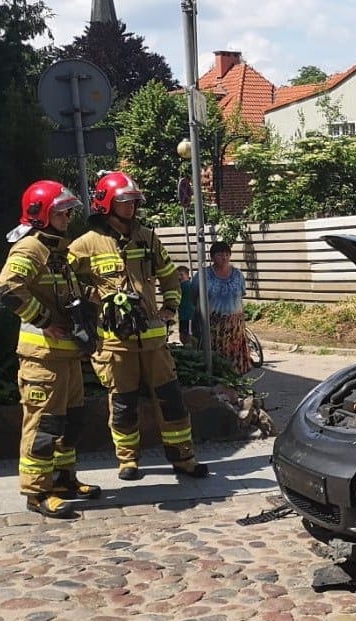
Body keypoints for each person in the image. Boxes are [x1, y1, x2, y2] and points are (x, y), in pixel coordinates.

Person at [68, 171, 208, 482]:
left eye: (133, 201)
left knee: (171, 401)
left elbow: (170, 274)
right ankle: (128, 460)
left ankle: (184, 459)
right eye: (124, 202)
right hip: (115, 344)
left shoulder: (148, 237)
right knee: (123, 404)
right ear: (106, 204)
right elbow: (66, 283)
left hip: (155, 342)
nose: (131, 207)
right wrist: (94, 298)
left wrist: (169, 307)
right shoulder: (85, 245)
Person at [0, 180, 101, 519]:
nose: (68, 216)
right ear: (42, 214)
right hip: (42, 358)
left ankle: (64, 479)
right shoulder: (31, 249)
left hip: (66, 356)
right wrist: (42, 319)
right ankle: (37, 491)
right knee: (43, 425)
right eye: (61, 212)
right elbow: (7, 287)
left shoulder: (58, 250)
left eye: (69, 211)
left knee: (71, 422)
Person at [191, 242, 251, 374]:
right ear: (212, 257)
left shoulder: (237, 275)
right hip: (212, 327)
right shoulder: (203, 275)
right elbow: (193, 295)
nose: (224, 257)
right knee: (215, 362)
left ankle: (233, 387)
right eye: (219, 255)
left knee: (234, 363)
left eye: (226, 254)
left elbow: (241, 295)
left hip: (234, 327)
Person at [176, 265, 197, 346]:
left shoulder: (186, 285)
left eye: (181, 275)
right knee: (183, 336)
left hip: (189, 316)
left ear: (187, 275)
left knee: (188, 337)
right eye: (178, 275)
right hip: (183, 316)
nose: (179, 277)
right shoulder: (183, 286)